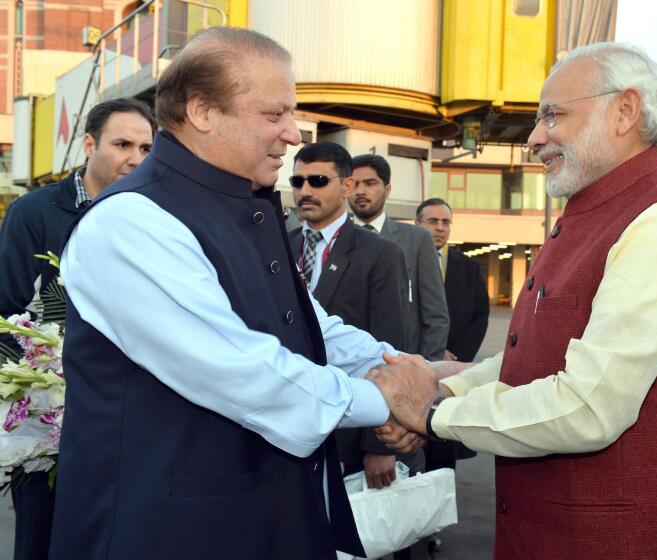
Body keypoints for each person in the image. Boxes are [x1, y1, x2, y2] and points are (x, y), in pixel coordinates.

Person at [49, 28, 432, 559]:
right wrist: (384, 397)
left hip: (257, 519)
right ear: (203, 111)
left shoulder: (241, 205)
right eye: (275, 114)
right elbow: (236, 368)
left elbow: (309, 325)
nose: (293, 133)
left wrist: (403, 367)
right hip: (168, 532)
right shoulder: (132, 221)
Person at [370, 42, 657, 559]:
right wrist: (442, 383)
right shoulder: (593, 212)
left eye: (553, 116)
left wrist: (430, 415)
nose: (536, 138)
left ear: (625, 110)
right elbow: (538, 357)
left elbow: (588, 407)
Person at [0, 97, 154, 560]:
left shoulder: (153, 216)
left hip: (128, 423)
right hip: (47, 427)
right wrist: (33, 397)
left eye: (147, 148)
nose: (136, 158)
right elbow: (8, 314)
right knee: (41, 542)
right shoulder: (35, 212)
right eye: (122, 143)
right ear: (89, 144)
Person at [288, 141, 422, 490]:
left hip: (350, 435)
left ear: (347, 186)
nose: (305, 190)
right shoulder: (277, 246)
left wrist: (378, 445)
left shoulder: (380, 253)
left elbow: (390, 347)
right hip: (290, 427)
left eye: (318, 181)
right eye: (297, 181)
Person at [350, 154, 449, 360]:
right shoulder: (335, 239)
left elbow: (436, 315)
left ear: (387, 189)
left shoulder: (416, 239)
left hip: (401, 362)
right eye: (354, 183)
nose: (360, 191)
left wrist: (426, 368)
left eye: (370, 183)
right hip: (346, 365)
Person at [415, 198, 489, 364]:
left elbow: (480, 316)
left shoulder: (470, 268)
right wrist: (432, 351)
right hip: (411, 357)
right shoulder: (400, 260)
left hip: (453, 360)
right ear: (417, 224)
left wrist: (457, 354)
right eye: (433, 221)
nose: (440, 228)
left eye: (446, 222)